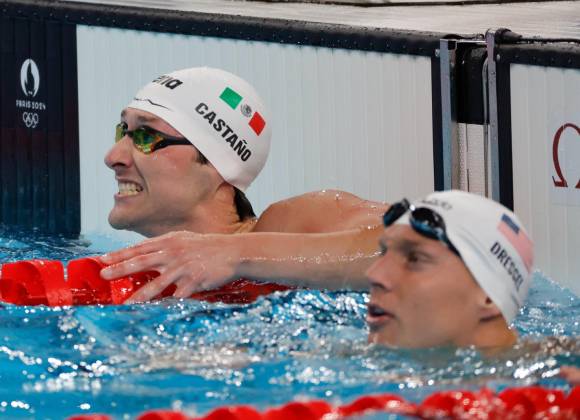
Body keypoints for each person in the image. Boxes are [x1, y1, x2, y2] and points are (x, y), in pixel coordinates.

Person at [99, 66, 387, 301]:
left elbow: (418, 241)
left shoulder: (291, 222)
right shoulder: (149, 285)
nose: (113, 157)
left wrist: (234, 253)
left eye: (146, 135)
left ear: (218, 164)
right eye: (122, 131)